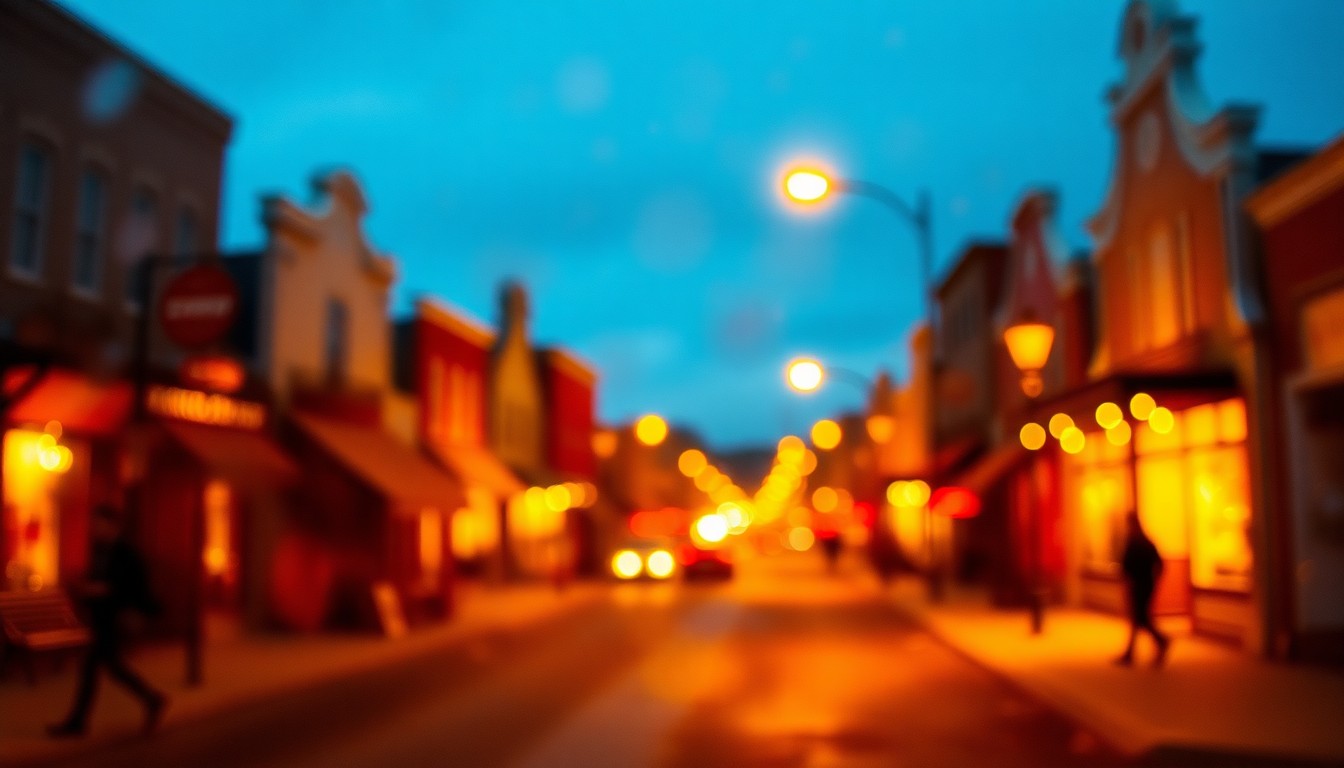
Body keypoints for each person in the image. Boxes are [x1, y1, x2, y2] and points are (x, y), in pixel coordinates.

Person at [47, 504, 167, 738]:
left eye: (98, 523)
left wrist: (100, 590)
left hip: (115, 618)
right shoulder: (102, 549)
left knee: (93, 667)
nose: (94, 528)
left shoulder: (126, 552)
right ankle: (152, 699)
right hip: (103, 617)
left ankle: (78, 722)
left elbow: (130, 587)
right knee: (109, 667)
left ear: (112, 525)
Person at [1115, 510, 1170, 667]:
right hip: (1147, 583)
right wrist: (1156, 581)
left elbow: (1126, 566)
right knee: (1138, 618)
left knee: (1141, 618)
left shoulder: (1134, 542)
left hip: (1138, 584)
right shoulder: (1146, 541)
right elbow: (1159, 564)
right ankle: (1130, 652)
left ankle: (1161, 640)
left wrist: (1127, 582)